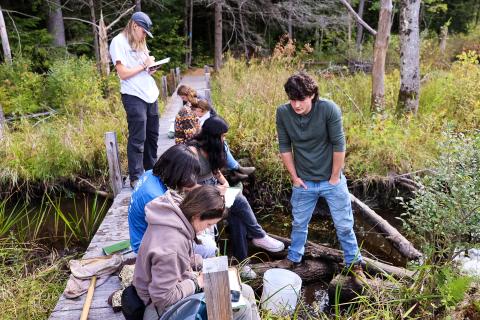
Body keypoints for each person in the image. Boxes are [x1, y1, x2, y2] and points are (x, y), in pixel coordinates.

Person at [275, 72, 364, 276]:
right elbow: (284, 146)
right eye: (292, 99)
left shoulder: (328, 109)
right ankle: (294, 257)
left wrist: (334, 177)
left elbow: (339, 144)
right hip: (303, 182)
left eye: (302, 99)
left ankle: (354, 262)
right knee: (298, 223)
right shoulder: (283, 113)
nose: (296, 105)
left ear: (312, 95)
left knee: (343, 225)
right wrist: (294, 177)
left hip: (331, 180)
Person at [134, 185, 260, 320]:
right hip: (158, 310)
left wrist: (201, 263)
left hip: (174, 287)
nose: (207, 230)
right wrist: (197, 282)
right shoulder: (173, 245)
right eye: (209, 225)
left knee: (246, 291)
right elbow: (163, 298)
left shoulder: (174, 215)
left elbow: (176, 261)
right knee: (243, 308)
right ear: (197, 216)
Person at [188, 116, 285, 279]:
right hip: (201, 200)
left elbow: (215, 170)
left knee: (238, 214)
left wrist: (224, 182)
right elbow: (187, 186)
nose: (224, 139)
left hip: (213, 193)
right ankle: (259, 236)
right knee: (239, 199)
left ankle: (243, 263)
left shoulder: (211, 148)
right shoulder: (192, 153)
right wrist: (213, 189)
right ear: (213, 136)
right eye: (222, 136)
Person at [128, 144, 216, 258]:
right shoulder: (157, 198)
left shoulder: (150, 174)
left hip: (141, 236)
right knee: (209, 246)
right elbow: (174, 232)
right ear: (178, 171)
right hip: (145, 247)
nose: (190, 178)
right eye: (189, 174)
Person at [109, 11, 159, 188]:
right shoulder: (118, 42)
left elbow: (143, 66)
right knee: (139, 136)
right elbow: (123, 74)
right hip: (133, 94)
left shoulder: (141, 42)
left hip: (150, 93)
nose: (144, 35)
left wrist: (150, 67)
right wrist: (142, 66)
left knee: (152, 135)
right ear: (135, 26)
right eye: (143, 31)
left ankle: (152, 172)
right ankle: (136, 176)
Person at [175, 85, 255, 180]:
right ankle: (235, 169)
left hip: (193, 138)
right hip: (185, 145)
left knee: (219, 141)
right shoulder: (186, 113)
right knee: (216, 142)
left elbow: (210, 119)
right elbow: (190, 136)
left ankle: (234, 171)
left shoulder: (194, 108)